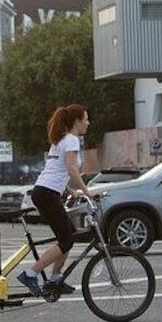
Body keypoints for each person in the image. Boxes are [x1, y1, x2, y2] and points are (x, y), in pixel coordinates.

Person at [17, 104, 99, 296]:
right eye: (86, 119)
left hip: (45, 191)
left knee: (68, 235)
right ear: (77, 122)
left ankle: (55, 280)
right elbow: (71, 169)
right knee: (66, 239)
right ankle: (31, 273)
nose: (88, 122)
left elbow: (56, 171)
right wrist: (87, 191)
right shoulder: (72, 140)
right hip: (47, 194)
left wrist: (71, 191)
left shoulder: (60, 140)